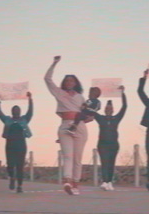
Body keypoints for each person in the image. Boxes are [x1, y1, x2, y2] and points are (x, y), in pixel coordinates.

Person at [44, 55, 92, 195]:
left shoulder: (80, 96)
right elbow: (47, 79)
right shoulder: (59, 93)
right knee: (68, 155)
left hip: (80, 127)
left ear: (76, 83)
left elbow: (86, 113)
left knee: (78, 157)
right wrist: (54, 63)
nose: (69, 82)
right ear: (64, 83)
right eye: (67, 80)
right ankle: (67, 180)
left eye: (72, 80)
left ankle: (76, 184)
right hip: (65, 126)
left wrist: (89, 116)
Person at [0, 91, 33, 193]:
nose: (16, 111)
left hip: (21, 145)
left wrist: (30, 99)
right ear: (12, 112)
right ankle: (12, 178)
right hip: (10, 145)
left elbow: (30, 111)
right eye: (14, 110)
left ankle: (19, 185)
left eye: (18, 110)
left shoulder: (24, 119)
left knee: (20, 166)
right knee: (10, 164)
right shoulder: (7, 120)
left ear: (20, 111)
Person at [93, 86, 127, 191]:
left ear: (113, 110)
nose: (108, 110)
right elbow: (91, 110)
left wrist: (122, 93)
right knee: (104, 162)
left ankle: (110, 182)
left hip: (113, 145)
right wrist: (93, 97)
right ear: (104, 109)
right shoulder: (100, 118)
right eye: (107, 108)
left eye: (110, 109)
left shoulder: (116, 118)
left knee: (111, 163)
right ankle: (104, 181)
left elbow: (124, 107)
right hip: (103, 144)